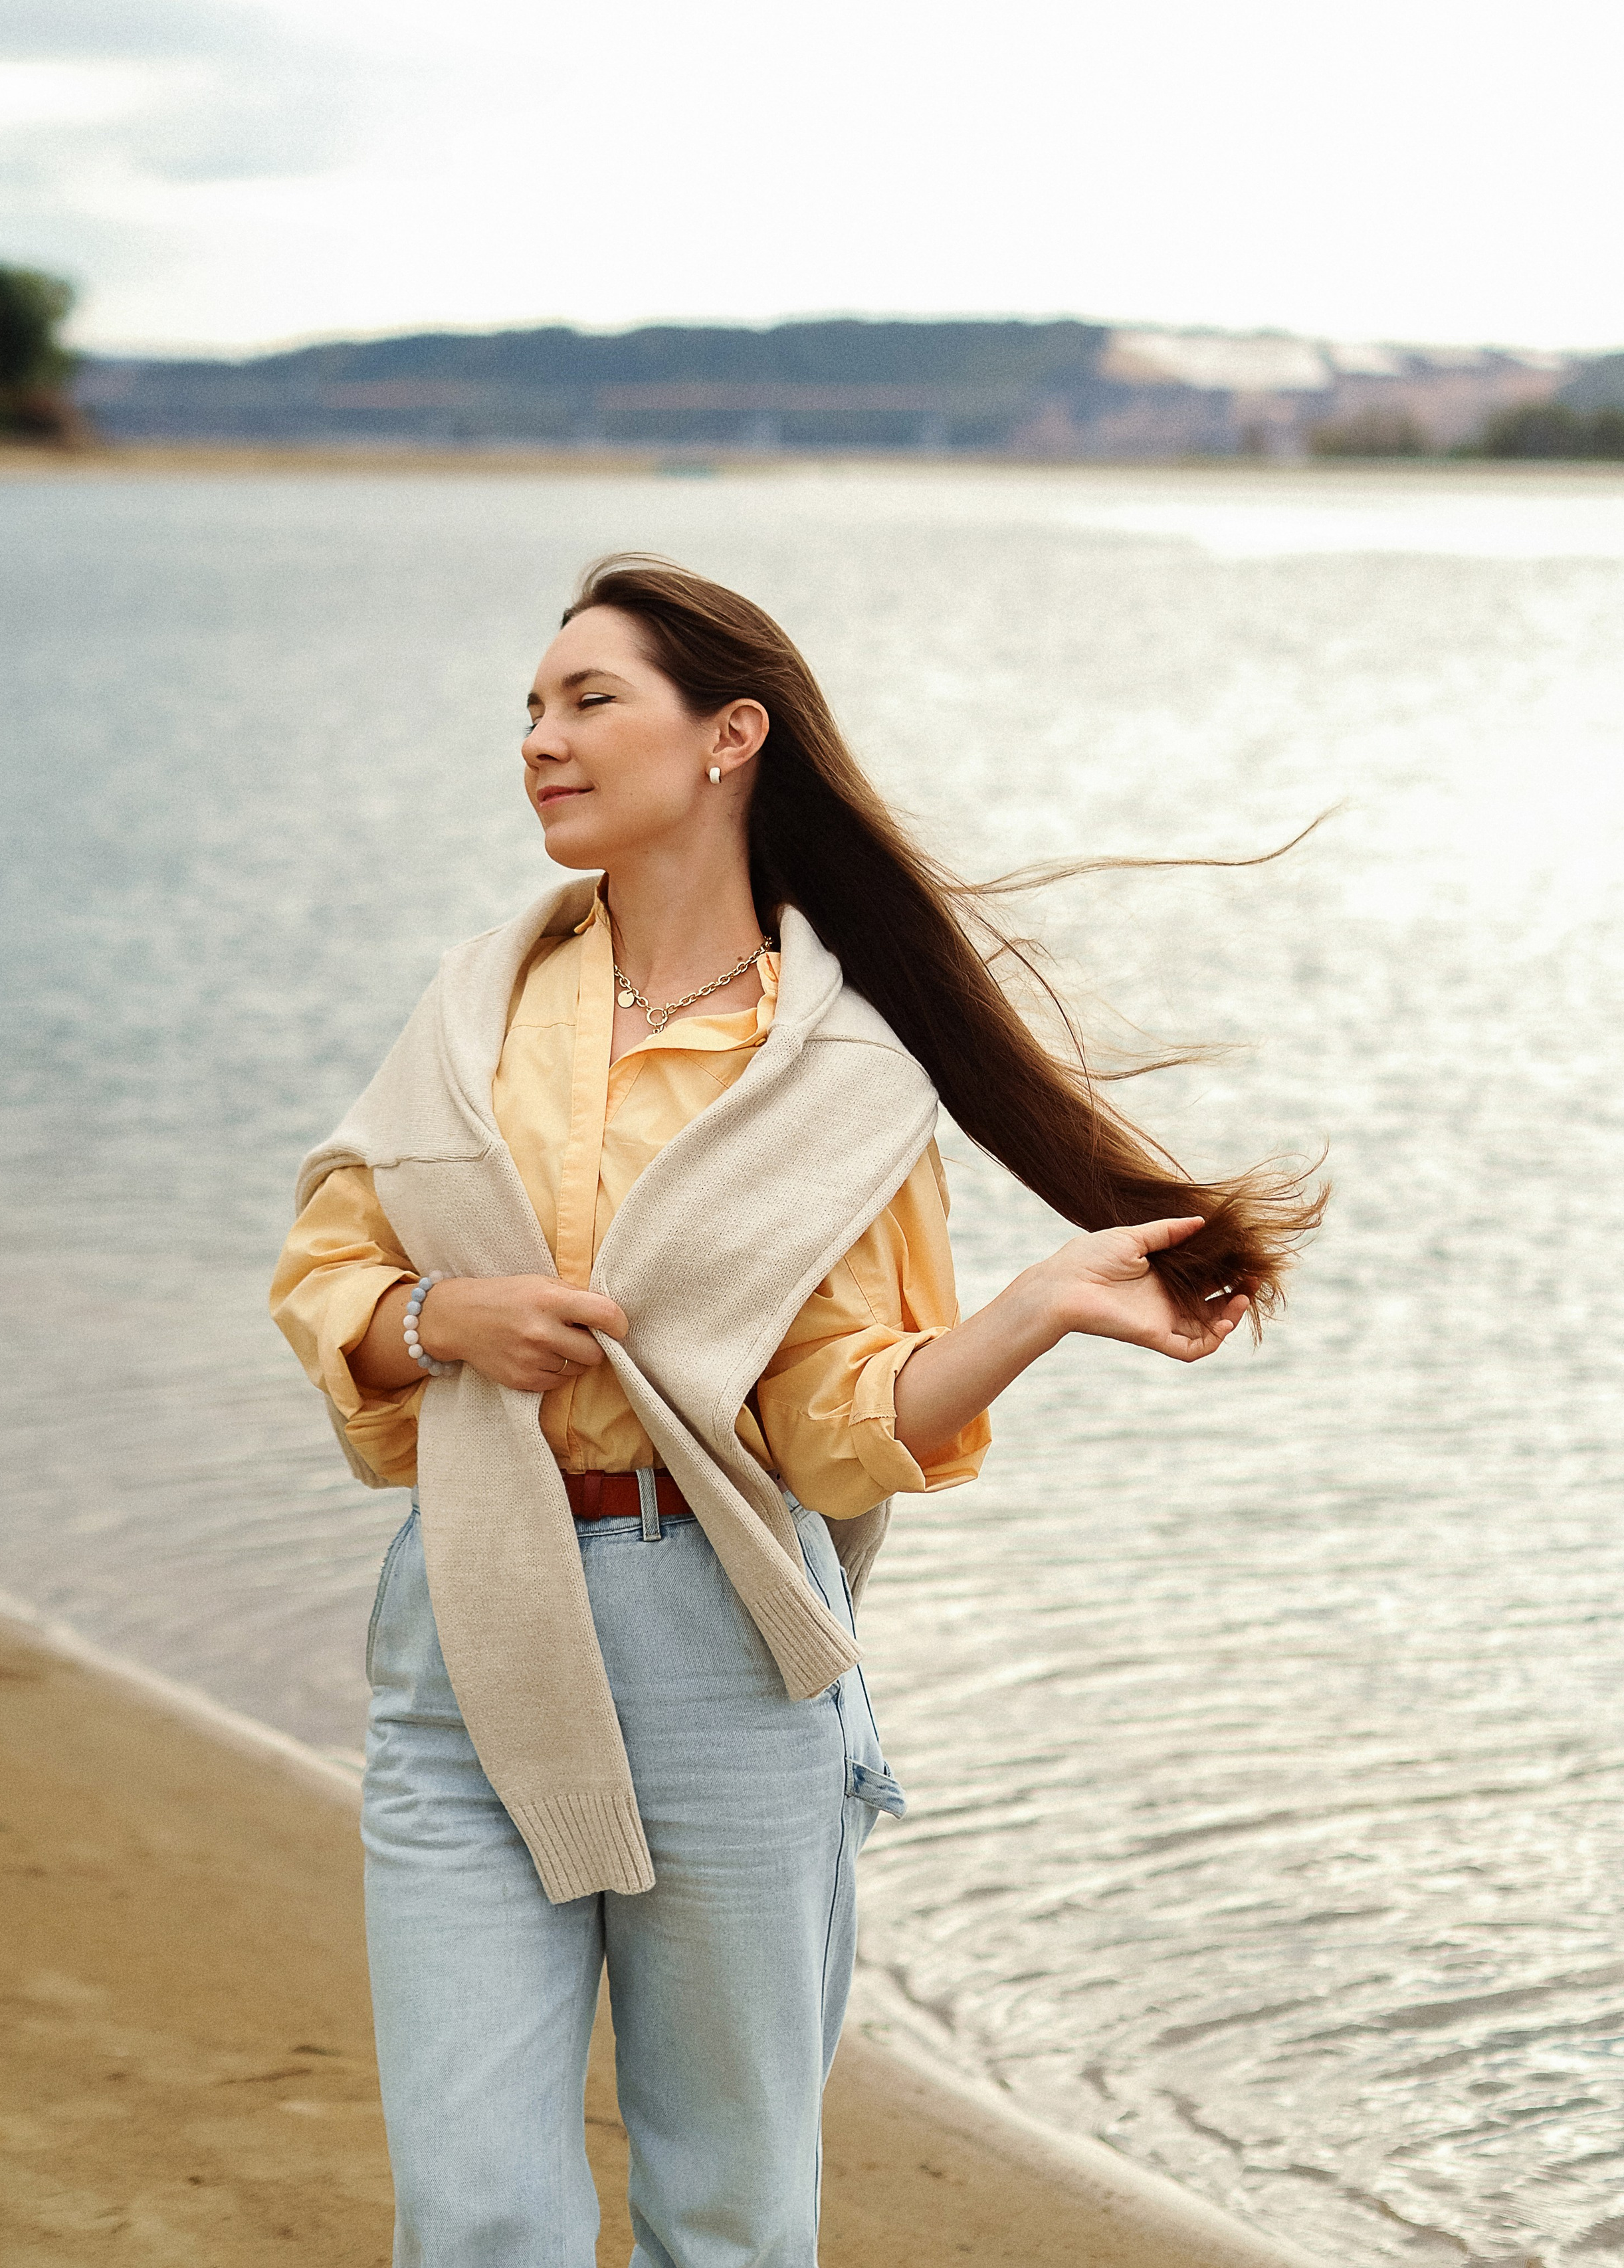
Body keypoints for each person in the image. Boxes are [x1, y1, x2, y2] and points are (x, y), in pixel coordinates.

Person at [270, 555, 1322, 2268]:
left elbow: (834, 1419)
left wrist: (1033, 1312)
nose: (540, 740)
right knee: (470, 2213)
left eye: (587, 701)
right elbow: (328, 1270)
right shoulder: (483, 1005)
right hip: (465, 1624)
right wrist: (434, 1315)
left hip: (721, 1644)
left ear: (729, 737)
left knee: (729, 2211)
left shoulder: (844, 1070)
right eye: (529, 710)